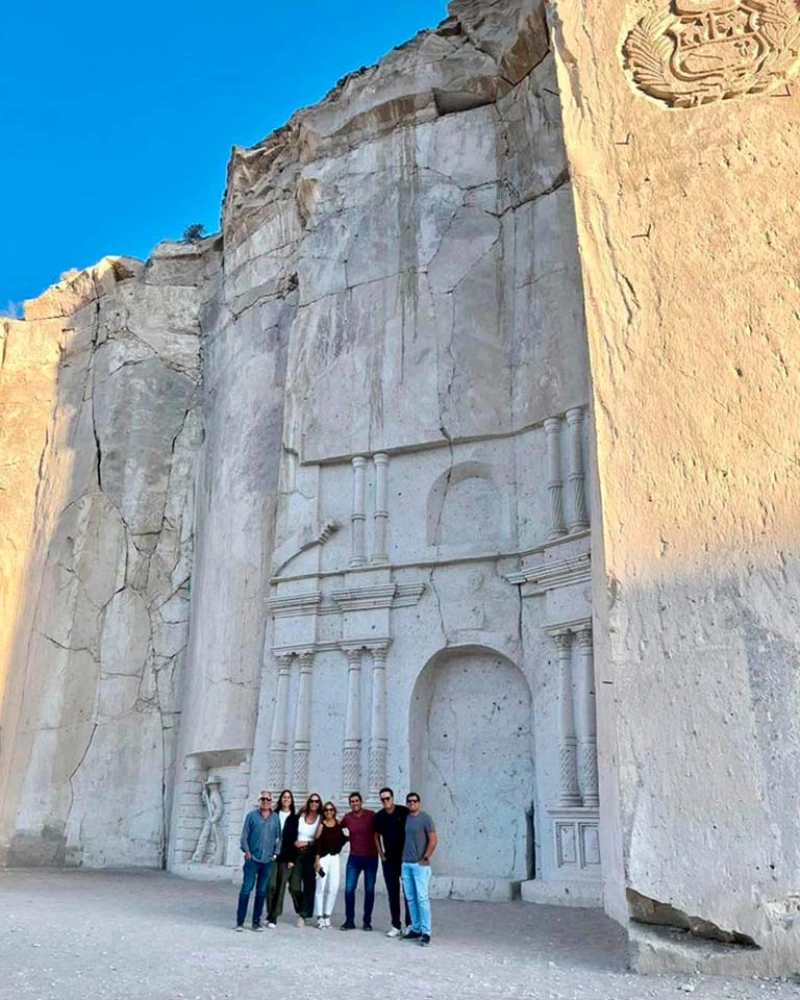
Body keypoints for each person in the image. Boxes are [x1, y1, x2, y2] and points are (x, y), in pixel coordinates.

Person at [236, 789, 281, 931]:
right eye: (263, 799)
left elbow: (279, 837)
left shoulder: (275, 818)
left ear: (271, 802)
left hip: (267, 860)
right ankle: (240, 922)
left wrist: (275, 854)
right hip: (252, 858)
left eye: (268, 800)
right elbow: (244, 836)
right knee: (246, 889)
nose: (265, 802)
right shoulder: (251, 816)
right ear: (259, 801)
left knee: (261, 891)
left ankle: (256, 922)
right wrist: (247, 851)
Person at [400, 792, 438, 947]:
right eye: (409, 801)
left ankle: (426, 931)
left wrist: (426, 857)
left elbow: (433, 839)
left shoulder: (425, 818)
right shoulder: (405, 818)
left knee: (422, 898)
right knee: (410, 898)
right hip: (406, 863)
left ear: (419, 803)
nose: (412, 804)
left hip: (420, 864)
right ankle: (415, 927)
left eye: (414, 801)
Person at [373, 786, 410, 938]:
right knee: (392, 893)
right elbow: (375, 835)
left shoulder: (403, 811)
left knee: (408, 892)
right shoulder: (379, 816)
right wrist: (381, 854)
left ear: (392, 798)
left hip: (405, 858)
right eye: (382, 799)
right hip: (389, 860)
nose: (385, 801)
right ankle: (395, 924)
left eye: (387, 798)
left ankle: (410, 924)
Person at [340, 791, 378, 931]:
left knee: (369, 890)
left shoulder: (371, 815)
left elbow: (380, 830)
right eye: (352, 802)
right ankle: (349, 920)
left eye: (356, 801)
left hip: (371, 857)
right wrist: (344, 840)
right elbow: (336, 828)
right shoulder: (347, 818)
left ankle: (367, 921)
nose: (354, 803)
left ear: (361, 802)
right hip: (354, 857)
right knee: (349, 889)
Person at [265, 789, 299, 928]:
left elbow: (295, 838)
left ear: (291, 801)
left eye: (288, 797)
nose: (286, 799)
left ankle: (274, 916)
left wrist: (292, 859)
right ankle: (269, 911)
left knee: (281, 886)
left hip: (287, 856)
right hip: (273, 855)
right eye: (284, 797)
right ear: (281, 800)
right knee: (271, 885)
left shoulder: (294, 818)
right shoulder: (274, 815)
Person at [290, 793, 322, 927]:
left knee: (309, 885)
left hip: (310, 853)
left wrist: (306, 844)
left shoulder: (320, 819)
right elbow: (291, 829)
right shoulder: (300, 816)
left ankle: (303, 914)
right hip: (296, 854)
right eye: (312, 801)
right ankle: (302, 909)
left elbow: (319, 840)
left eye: (317, 802)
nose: (314, 803)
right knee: (294, 886)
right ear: (308, 802)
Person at [313, 801, 347, 928]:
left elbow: (343, 839)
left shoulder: (338, 824)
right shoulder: (322, 825)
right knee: (320, 887)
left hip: (334, 858)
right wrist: (317, 861)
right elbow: (317, 844)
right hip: (323, 858)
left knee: (333, 887)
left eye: (331, 810)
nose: (328, 812)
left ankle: (327, 915)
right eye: (326, 810)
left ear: (334, 811)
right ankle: (319, 917)